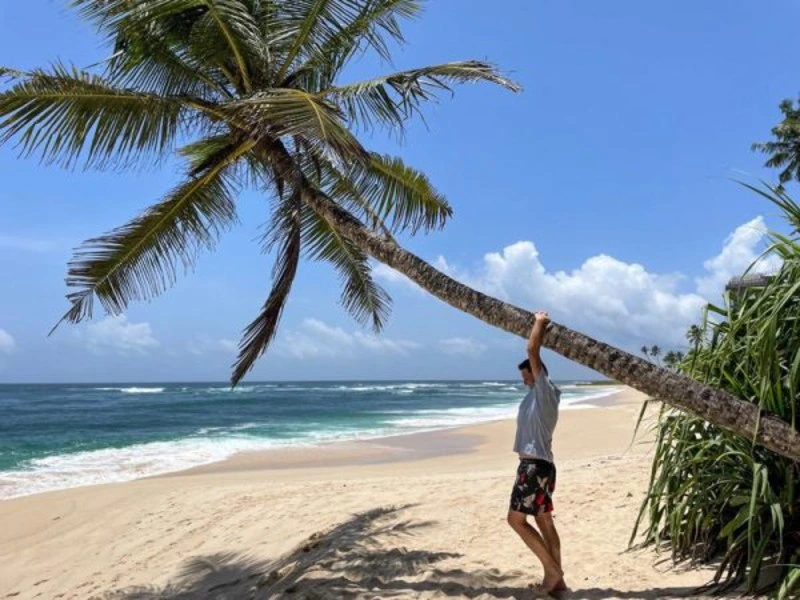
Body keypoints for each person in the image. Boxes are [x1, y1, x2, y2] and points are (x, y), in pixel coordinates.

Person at [507, 310, 566, 594]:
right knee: (543, 521)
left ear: (537, 372)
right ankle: (558, 583)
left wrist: (539, 321)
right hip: (543, 466)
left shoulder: (544, 390)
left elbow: (532, 348)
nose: (524, 381)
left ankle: (553, 572)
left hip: (533, 467)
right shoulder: (540, 396)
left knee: (515, 520)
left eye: (526, 376)